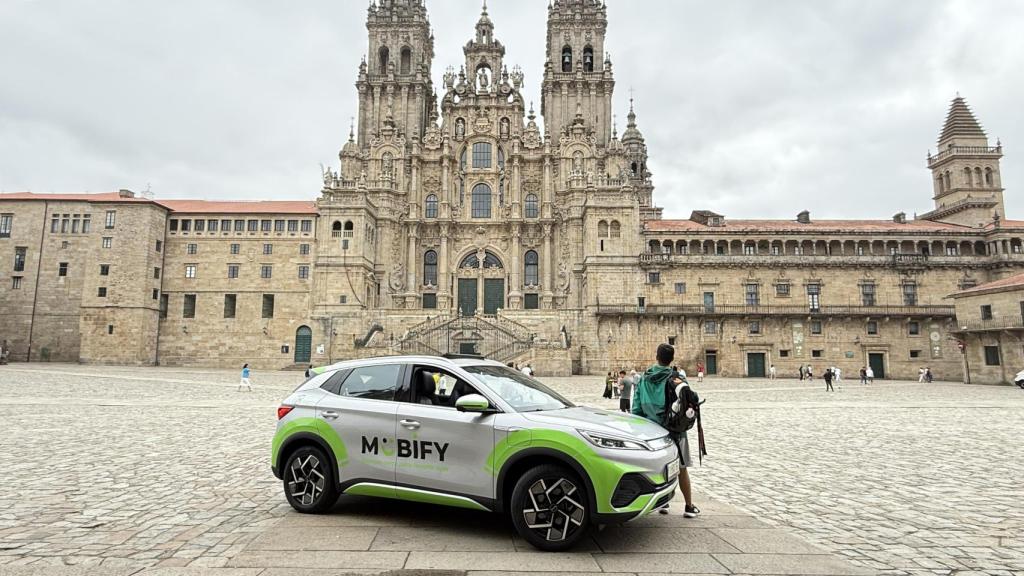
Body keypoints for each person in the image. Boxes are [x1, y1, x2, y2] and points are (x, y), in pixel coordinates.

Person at [632, 343, 700, 519]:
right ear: (671, 359)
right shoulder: (677, 378)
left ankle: (663, 502)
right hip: (675, 430)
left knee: (658, 467)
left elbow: (636, 408)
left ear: (657, 356)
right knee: (682, 468)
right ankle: (689, 506)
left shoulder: (643, 378)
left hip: (651, 429)